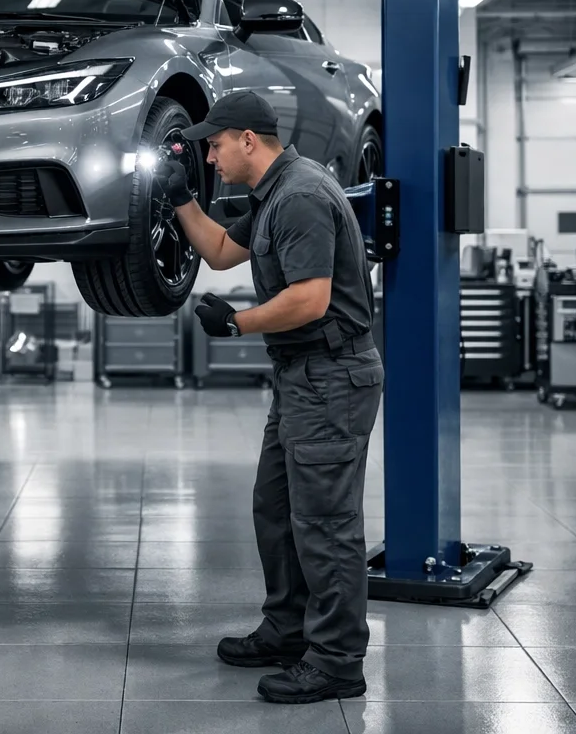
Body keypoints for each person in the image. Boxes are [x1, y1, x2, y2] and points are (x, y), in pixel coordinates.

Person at [153, 89, 383, 705]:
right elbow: (224, 252)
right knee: (276, 509)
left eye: (215, 144)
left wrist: (237, 324)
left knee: (325, 525)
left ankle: (337, 661)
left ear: (248, 140)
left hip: (332, 377)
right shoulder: (275, 191)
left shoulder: (302, 196)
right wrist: (181, 197)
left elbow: (309, 299)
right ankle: (288, 630)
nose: (210, 154)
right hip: (303, 377)